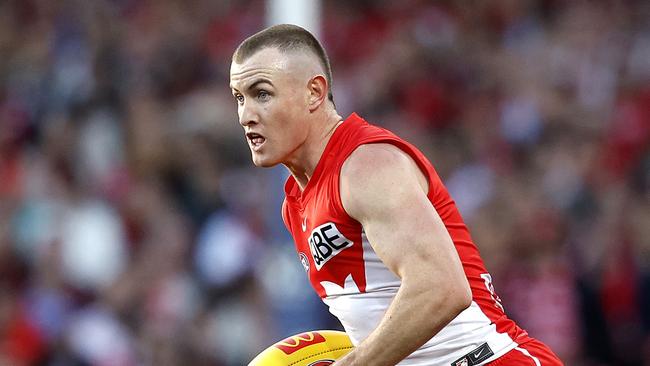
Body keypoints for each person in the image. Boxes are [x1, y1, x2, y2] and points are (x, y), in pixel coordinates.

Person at [229, 24, 563, 366]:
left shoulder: (366, 165)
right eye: (239, 97)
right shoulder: (295, 204)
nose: (246, 115)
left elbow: (442, 289)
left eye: (262, 94)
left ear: (314, 92)